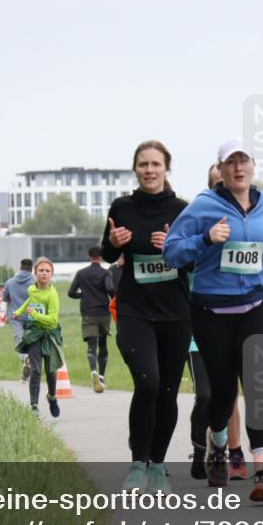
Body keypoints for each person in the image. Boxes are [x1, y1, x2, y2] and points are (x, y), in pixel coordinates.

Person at [165, 137, 263, 502]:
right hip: (211, 312)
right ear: (220, 170)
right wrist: (205, 237)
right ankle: (218, 443)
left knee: (257, 386)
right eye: (230, 163)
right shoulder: (203, 207)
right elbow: (172, 252)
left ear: (253, 166)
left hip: (256, 308)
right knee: (221, 393)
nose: (238, 168)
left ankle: (262, 468)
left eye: (244, 161)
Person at [103, 140, 191, 495]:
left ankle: (157, 464)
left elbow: (195, 258)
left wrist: (175, 246)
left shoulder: (184, 209)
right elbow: (110, 251)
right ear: (135, 169)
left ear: (167, 168)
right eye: (143, 164)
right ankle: (137, 464)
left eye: (156, 164)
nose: (150, 170)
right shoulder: (122, 207)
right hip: (134, 308)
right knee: (148, 383)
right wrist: (112, 240)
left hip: (175, 311)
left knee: (168, 391)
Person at [187, 163, 256, 481]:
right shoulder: (199, 219)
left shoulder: (247, 222)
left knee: (231, 391)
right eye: (218, 184)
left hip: (237, 320)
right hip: (200, 326)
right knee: (207, 394)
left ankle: (233, 451)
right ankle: (205, 448)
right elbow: (176, 257)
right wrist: (205, 239)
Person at [13, 257, 64, 416]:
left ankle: (52, 397)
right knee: (35, 370)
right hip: (34, 333)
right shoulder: (32, 289)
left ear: (52, 274)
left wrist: (34, 315)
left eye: (47, 271)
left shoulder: (52, 295)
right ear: (35, 273)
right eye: (41, 270)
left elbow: (53, 320)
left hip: (49, 334)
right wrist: (19, 311)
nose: (44, 274)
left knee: (50, 371)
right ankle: (34, 405)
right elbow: (30, 301)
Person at [69, 246, 115, 393]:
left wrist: (81, 295)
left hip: (88, 312)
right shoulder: (106, 272)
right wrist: (112, 297)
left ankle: (93, 371)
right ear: (100, 257)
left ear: (89, 256)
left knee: (91, 346)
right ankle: (101, 377)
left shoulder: (81, 274)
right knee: (103, 344)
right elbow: (110, 289)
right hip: (103, 312)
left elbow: (71, 292)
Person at [2, 259, 35, 381]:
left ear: (20, 267)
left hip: (15, 315)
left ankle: (25, 360)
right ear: (31, 269)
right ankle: (29, 366)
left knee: (19, 340)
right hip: (32, 315)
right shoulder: (35, 282)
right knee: (32, 342)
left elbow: (5, 298)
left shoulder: (9, 282)